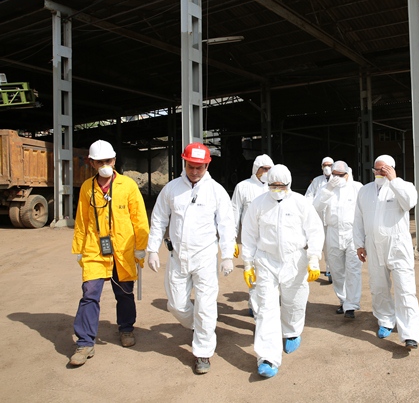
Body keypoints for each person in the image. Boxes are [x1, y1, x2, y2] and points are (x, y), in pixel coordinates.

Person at [145, 142, 236, 374]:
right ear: (184, 163)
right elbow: (158, 220)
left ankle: (203, 353)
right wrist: (153, 249)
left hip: (205, 256)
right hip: (177, 256)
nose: (194, 171)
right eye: (190, 166)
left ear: (207, 165)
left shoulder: (216, 191)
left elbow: (226, 225)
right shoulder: (172, 189)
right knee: (176, 305)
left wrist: (227, 255)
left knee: (206, 306)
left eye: (199, 167)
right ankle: (199, 327)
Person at [70, 140, 149, 366]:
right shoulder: (87, 187)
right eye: (100, 161)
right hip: (95, 248)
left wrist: (141, 247)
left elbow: (139, 218)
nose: (105, 165)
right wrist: (79, 248)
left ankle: (126, 329)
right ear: (92, 163)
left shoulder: (128, 185)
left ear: (114, 161)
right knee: (89, 293)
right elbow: (82, 221)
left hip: (123, 249)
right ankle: (85, 343)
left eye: (108, 160)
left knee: (124, 292)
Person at [241, 164, 324, 378]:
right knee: (266, 309)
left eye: (281, 186)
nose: (277, 189)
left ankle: (292, 331)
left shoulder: (300, 203)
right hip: (267, 261)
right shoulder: (258, 204)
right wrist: (248, 263)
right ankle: (267, 357)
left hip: (294, 259)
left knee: (294, 301)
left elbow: (315, 230)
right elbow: (249, 234)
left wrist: (314, 258)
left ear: (288, 184)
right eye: (273, 186)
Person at [353, 154, 419, 349]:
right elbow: (358, 218)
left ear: (392, 169)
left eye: (384, 169)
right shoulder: (365, 191)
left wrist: (394, 180)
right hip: (373, 247)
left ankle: (410, 334)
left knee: (406, 290)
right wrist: (359, 244)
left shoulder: (403, 187)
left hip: (398, 248)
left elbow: (410, 202)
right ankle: (385, 320)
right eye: (377, 169)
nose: (379, 173)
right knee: (379, 287)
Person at [312, 160, 363, 318]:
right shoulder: (326, 188)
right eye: (334, 175)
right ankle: (343, 300)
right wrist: (328, 189)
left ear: (348, 174)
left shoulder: (357, 188)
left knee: (353, 270)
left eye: (340, 175)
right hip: (333, 232)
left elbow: (364, 212)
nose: (337, 178)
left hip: (352, 233)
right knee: (336, 270)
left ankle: (351, 305)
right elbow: (315, 207)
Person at [231, 154, 274, 317]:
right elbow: (234, 211)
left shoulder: (275, 186)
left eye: (270, 169)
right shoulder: (243, 187)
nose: (267, 172)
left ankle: (267, 305)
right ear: (256, 169)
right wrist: (232, 238)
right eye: (264, 169)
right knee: (254, 273)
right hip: (252, 238)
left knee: (272, 273)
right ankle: (257, 311)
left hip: (272, 237)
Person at [305, 156, 334, 282]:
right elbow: (309, 196)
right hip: (318, 218)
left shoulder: (338, 180)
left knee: (332, 246)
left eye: (330, 165)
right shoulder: (317, 181)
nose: (327, 167)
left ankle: (330, 270)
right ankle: (315, 265)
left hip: (332, 219)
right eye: (325, 165)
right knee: (319, 244)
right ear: (322, 167)